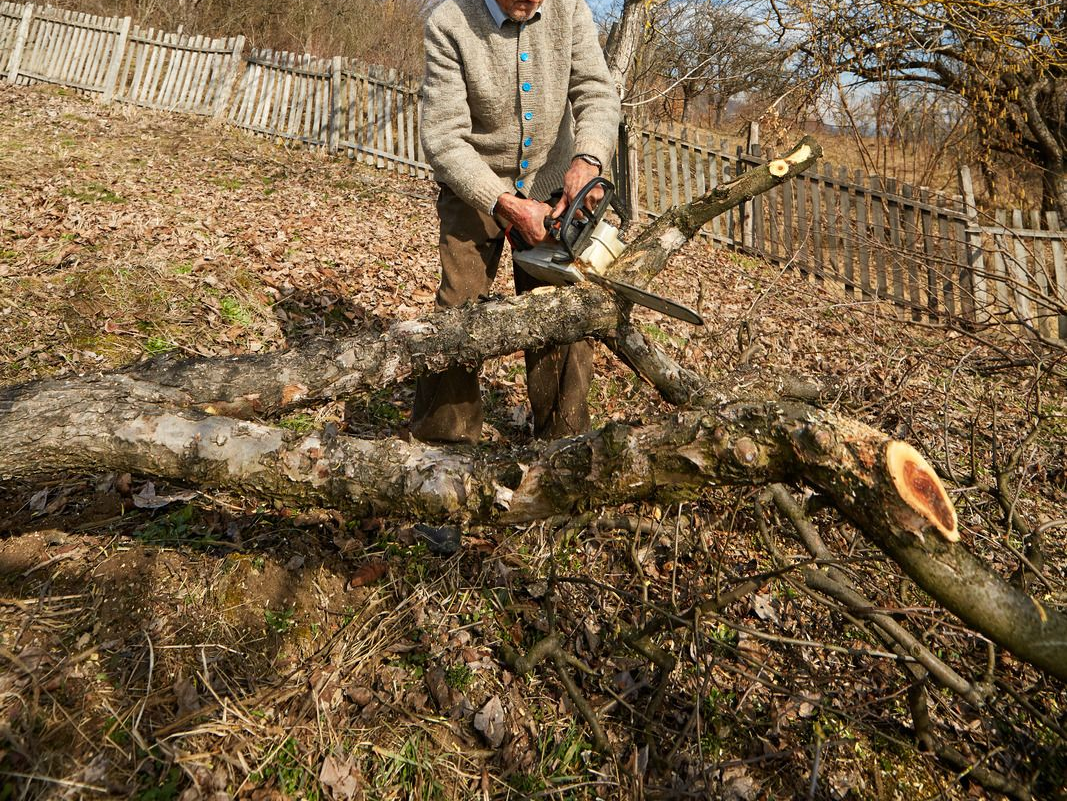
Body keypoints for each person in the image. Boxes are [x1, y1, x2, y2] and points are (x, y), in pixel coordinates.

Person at [411, 0, 622, 445]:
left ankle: (561, 446)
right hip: (475, 181)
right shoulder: (450, 21)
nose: (529, 4)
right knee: (459, 310)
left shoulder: (569, 10)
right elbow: (443, 138)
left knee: (563, 307)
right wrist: (503, 202)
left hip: (552, 179)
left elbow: (596, 92)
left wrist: (589, 159)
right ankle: (442, 448)